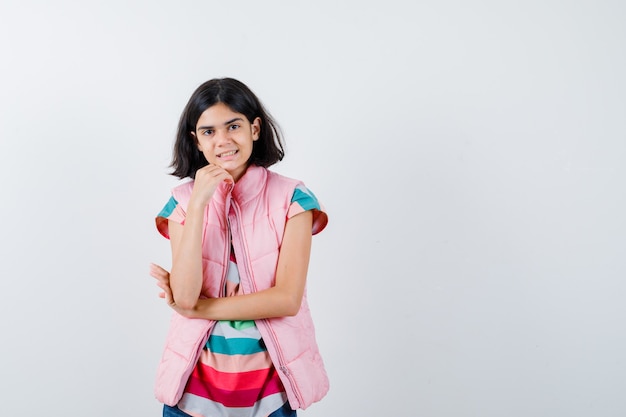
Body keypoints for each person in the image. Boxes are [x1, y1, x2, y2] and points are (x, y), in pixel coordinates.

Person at [149, 78, 329, 417]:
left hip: (270, 397)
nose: (223, 141)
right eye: (208, 131)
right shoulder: (182, 204)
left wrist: (198, 309)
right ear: (195, 140)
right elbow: (186, 297)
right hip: (191, 399)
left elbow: (286, 299)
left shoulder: (293, 199)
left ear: (255, 128)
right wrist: (200, 202)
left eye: (233, 126)